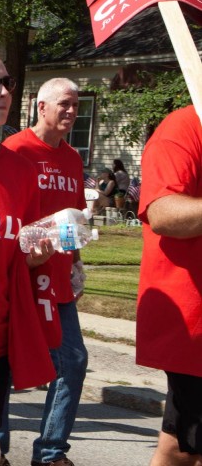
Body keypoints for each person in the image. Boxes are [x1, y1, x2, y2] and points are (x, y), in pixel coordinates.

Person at [0, 55, 55, 453]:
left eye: (7, 82)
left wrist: (39, 253)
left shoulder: (21, 172)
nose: (3, 92)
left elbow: (23, 250)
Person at [1, 78, 88, 466]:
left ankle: (51, 453)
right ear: (42, 107)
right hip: (18, 277)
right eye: (64, 105)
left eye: (75, 106)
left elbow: (74, 218)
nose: (71, 111)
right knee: (2, 365)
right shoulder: (15, 150)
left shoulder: (72, 158)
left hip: (58, 282)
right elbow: (3, 216)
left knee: (73, 361)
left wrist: (79, 264)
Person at [135, 106, 202, 466]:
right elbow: (162, 213)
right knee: (186, 449)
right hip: (193, 320)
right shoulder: (184, 126)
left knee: (180, 446)